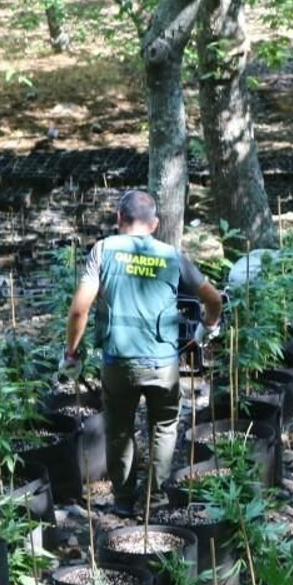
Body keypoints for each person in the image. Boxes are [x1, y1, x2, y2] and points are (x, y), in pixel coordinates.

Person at [62, 191, 223, 514]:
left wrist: (71, 353)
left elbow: (80, 310)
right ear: (155, 225)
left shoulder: (103, 250)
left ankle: (123, 502)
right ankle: (155, 499)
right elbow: (213, 298)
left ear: (119, 219)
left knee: (119, 429)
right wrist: (209, 324)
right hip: (162, 363)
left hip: (118, 362)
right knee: (163, 426)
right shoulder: (172, 256)